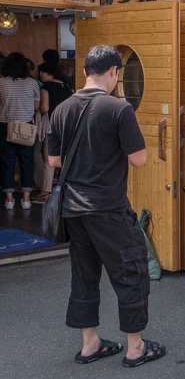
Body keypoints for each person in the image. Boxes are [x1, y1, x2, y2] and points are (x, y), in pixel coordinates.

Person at [48, 45, 166, 368]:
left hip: (73, 210)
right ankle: (135, 348)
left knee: (84, 275)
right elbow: (139, 159)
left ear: (86, 71)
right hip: (109, 209)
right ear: (113, 72)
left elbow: (53, 160)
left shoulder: (62, 109)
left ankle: (90, 345)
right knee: (132, 271)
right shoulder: (119, 108)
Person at [0, 52, 40, 210]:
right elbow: (36, 106)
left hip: (5, 125)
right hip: (26, 125)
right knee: (27, 162)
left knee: (7, 162)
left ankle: (9, 200)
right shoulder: (33, 83)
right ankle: (26, 200)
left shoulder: (2, 82)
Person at [33, 62, 73, 203]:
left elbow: (44, 108)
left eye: (42, 72)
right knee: (65, 156)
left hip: (51, 124)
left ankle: (46, 191)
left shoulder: (46, 87)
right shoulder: (66, 87)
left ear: (49, 73)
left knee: (49, 156)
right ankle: (64, 189)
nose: (41, 75)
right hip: (67, 124)